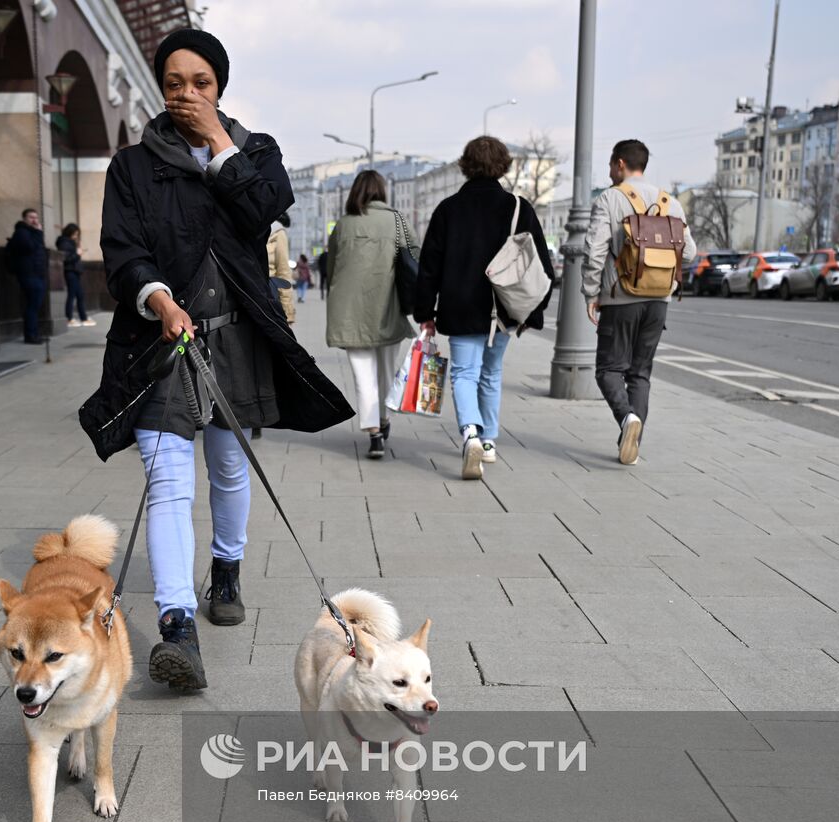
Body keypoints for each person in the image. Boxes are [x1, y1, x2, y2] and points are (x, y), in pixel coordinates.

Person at [78, 27, 352, 692]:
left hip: (236, 340)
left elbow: (265, 209)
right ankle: (178, 624)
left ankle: (225, 567)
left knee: (229, 464)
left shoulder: (255, 151)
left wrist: (221, 147)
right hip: (160, 339)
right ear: (161, 87)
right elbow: (122, 250)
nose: (187, 95)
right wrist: (156, 298)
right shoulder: (133, 165)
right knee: (169, 479)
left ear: (219, 86)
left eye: (200, 83)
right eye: (174, 83)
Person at [413, 136, 554, 479]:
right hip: (502, 308)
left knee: (464, 373)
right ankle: (488, 441)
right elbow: (541, 266)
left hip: (459, 306)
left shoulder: (448, 209)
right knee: (491, 373)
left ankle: (470, 434)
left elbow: (429, 265)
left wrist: (425, 312)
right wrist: (533, 312)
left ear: (465, 165)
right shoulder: (519, 207)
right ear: (503, 165)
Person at [583, 139, 697, 465]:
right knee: (640, 374)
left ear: (620, 164)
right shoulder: (670, 203)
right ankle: (631, 445)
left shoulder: (610, 198)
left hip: (621, 298)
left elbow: (594, 251)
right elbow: (688, 252)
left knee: (608, 369)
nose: (609, 172)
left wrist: (591, 293)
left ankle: (626, 418)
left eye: (610, 166)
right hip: (659, 299)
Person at [325, 170, 413, 460]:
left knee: (364, 377)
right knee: (386, 373)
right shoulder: (397, 220)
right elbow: (416, 260)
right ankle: (383, 420)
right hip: (387, 308)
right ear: (382, 191)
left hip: (350, 312)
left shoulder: (343, 224)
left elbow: (331, 267)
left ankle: (374, 432)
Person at [7, 208, 47, 343]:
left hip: (36, 273)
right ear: (24, 218)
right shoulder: (22, 232)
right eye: (31, 217)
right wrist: (38, 232)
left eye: (36, 217)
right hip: (29, 273)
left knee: (35, 305)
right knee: (33, 305)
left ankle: (34, 333)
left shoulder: (31, 232)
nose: (34, 220)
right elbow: (29, 247)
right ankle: (31, 335)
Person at [57, 222, 93, 326]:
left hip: (75, 271)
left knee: (79, 295)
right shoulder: (64, 243)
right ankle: (69, 318)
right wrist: (77, 254)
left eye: (77, 234)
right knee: (72, 295)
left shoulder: (70, 243)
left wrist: (78, 249)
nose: (76, 236)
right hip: (70, 271)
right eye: (74, 234)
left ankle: (83, 318)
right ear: (69, 233)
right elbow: (66, 259)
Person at [266, 212, 296, 326]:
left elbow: (283, 272)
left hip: (267, 298)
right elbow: (284, 272)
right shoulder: (278, 232)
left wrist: (287, 311)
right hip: (261, 296)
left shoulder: (277, 232)